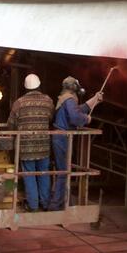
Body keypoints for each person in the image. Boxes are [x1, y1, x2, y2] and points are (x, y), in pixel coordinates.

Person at [49, 76, 102, 211]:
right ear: (74, 87)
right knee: (63, 172)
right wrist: (86, 119)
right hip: (62, 137)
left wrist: (95, 100)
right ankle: (56, 205)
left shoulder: (65, 98)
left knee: (63, 171)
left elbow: (79, 109)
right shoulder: (69, 99)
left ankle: (64, 202)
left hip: (60, 137)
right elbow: (75, 117)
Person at [6, 73, 54, 212]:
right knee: (44, 173)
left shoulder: (19, 103)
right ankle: (45, 203)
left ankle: (33, 205)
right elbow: (51, 118)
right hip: (43, 146)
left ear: (25, 87)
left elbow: (11, 124)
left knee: (29, 175)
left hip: (26, 148)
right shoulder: (48, 101)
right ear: (39, 85)